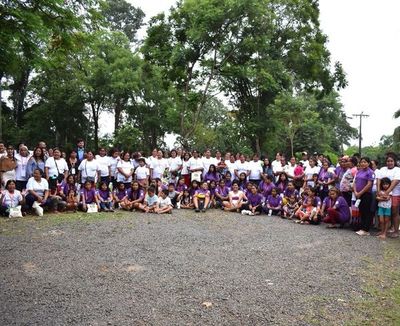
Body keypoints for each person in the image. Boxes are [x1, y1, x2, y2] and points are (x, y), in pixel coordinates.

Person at [377, 152, 400, 238]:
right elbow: (378, 179)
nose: (389, 162)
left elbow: (395, 182)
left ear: (394, 162)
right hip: (382, 194)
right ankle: (385, 230)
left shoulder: (398, 170)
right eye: (388, 161)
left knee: (394, 212)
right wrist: (379, 191)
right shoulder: (382, 169)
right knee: (384, 213)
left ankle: (396, 231)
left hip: (395, 194)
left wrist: (386, 193)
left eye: (391, 161)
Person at [353, 157, 375, 236]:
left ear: (369, 163)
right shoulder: (359, 171)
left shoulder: (370, 172)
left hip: (366, 194)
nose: (363, 163)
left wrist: (360, 193)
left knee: (366, 212)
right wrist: (355, 191)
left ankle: (366, 230)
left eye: (365, 162)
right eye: (362, 162)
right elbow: (355, 182)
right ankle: (362, 228)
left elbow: (369, 185)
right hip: (358, 194)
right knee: (361, 211)